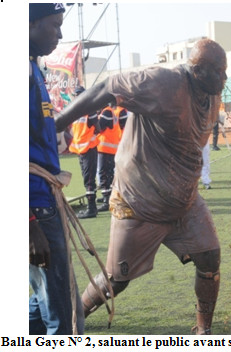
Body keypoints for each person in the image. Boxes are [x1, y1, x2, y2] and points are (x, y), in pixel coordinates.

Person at [55, 38, 227, 335]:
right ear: (199, 70)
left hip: (184, 202)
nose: (224, 79)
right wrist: (56, 124)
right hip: (139, 201)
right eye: (219, 72)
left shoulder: (211, 94)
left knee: (209, 258)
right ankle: (71, 319)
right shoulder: (165, 83)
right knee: (116, 280)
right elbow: (106, 87)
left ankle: (203, 331)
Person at [29, 2, 84, 335]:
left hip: (44, 198)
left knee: (41, 306)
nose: (60, 34)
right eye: (54, 25)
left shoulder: (33, 67)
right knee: (63, 316)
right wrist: (29, 223)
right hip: (36, 207)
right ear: (30, 25)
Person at [68, 86, 101, 219]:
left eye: (77, 95)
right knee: (87, 179)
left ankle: (91, 208)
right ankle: (91, 207)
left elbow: (98, 128)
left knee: (88, 180)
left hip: (89, 149)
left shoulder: (89, 110)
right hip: (81, 150)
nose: (75, 97)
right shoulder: (77, 111)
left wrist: (89, 137)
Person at [96, 104, 128, 212]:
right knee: (107, 173)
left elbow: (99, 127)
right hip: (112, 145)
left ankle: (107, 198)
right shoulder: (112, 112)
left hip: (107, 146)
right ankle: (108, 195)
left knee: (104, 173)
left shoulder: (108, 112)